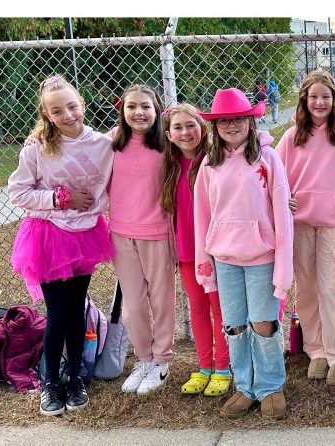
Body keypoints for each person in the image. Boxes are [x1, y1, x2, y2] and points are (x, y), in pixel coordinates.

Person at [8, 75, 115, 415]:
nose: (67, 115)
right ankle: (51, 382)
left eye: (72, 107)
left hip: (85, 236)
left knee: (76, 309)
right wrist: (60, 197)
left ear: (82, 105)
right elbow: (18, 192)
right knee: (58, 313)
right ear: (47, 115)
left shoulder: (103, 144)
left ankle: (76, 379)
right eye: (57, 111)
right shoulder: (37, 148)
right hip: (49, 237)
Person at [194, 88, 293, 419]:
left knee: (263, 323)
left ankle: (270, 386)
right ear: (216, 126)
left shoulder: (268, 159)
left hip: (261, 258)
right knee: (234, 325)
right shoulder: (210, 163)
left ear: (251, 121)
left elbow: (282, 213)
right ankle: (245, 386)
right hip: (224, 259)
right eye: (223, 121)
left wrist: (283, 264)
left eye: (238, 118)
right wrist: (204, 262)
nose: (231, 125)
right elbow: (202, 216)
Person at [276, 70, 335, 386]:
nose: (320, 102)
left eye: (326, 96)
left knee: (331, 291)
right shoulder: (291, 136)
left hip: (334, 225)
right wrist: (286, 200)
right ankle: (316, 350)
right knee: (307, 291)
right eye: (314, 97)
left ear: (334, 99)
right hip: (299, 226)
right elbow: (277, 180)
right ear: (305, 100)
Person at [160, 104, 231, 397]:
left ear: (202, 128)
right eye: (178, 127)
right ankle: (204, 367)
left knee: (219, 309)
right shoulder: (169, 164)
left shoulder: (216, 160)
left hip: (214, 250)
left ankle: (223, 367)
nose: (185, 132)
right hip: (187, 252)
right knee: (198, 309)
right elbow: (120, 138)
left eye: (191, 125)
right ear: (169, 134)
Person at [110, 85, 176, 396]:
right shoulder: (111, 142)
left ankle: (162, 360)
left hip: (158, 232)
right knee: (132, 305)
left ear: (157, 110)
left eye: (145, 107)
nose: (139, 112)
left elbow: (202, 141)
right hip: (122, 234)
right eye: (132, 106)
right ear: (122, 111)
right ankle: (144, 358)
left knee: (161, 300)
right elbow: (77, 143)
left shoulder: (167, 144)